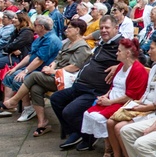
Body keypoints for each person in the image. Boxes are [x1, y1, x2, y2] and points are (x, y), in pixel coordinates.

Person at [51, 16, 123, 149]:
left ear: (116, 28)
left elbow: (140, 60)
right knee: (56, 99)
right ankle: (76, 131)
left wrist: (118, 66)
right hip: (80, 85)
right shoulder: (103, 42)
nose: (103, 30)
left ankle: (88, 136)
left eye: (107, 27)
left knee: (69, 112)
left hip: (94, 90)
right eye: (101, 28)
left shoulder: (122, 43)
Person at [78, 38, 148, 148]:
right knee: (88, 113)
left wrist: (110, 102)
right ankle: (108, 143)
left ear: (128, 53)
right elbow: (114, 85)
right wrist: (105, 96)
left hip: (124, 102)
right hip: (112, 98)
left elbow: (132, 95)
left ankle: (111, 146)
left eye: (119, 51)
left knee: (99, 117)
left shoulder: (138, 70)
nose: (116, 53)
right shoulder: (121, 65)